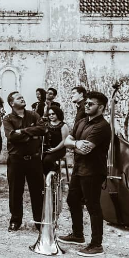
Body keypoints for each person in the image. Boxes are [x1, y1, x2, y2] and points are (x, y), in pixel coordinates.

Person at [58, 91, 111, 257]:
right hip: (79, 168)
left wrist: (74, 143)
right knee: (72, 200)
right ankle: (78, 235)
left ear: (101, 107)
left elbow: (85, 149)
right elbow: (67, 141)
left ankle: (96, 245)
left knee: (92, 206)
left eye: (91, 104)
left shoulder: (102, 126)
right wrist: (76, 143)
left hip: (93, 171)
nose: (86, 106)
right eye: (86, 103)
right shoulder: (82, 121)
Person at [2, 91, 45, 232]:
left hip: (34, 159)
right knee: (15, 191)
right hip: (16, 160)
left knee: (37, 191)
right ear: (12, 103)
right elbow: (11, 136)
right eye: (18, 98)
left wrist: (22, 131)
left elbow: (43, 129)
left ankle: (39, 221)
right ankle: (15, 220)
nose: (22, 98)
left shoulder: (33, 115)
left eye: (22, 96)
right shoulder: (7, 119)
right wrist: (31, 134)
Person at [42, 106, 69, 175]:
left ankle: (55, 170)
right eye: (49, 114)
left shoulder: (63, 125)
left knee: (47, 160)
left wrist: (55, 149)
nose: (51, 116)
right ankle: (49, 180)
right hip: (48, 149)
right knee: (38, 160)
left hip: (59, 149)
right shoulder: (46, 124)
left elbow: (64, 141)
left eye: (53, 114)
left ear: (57, 113)